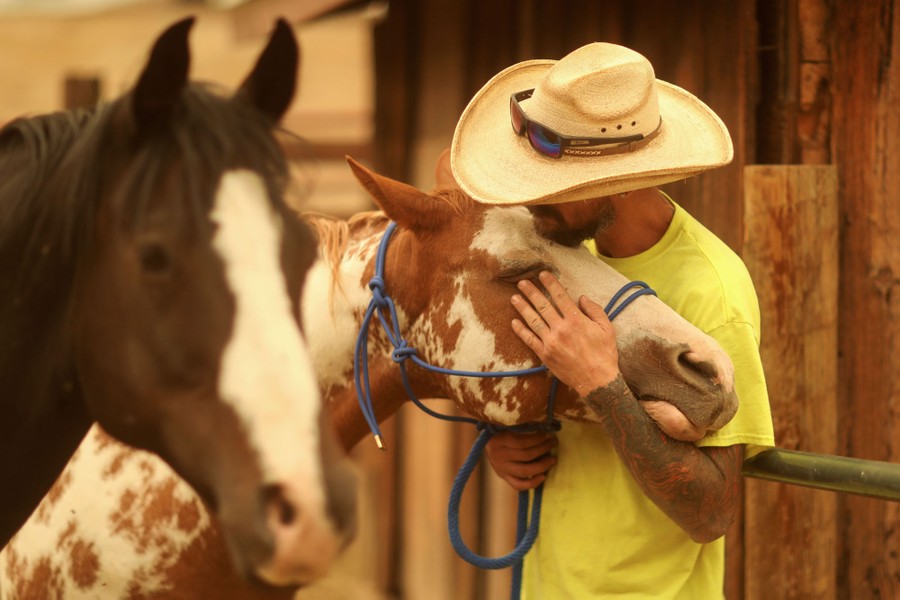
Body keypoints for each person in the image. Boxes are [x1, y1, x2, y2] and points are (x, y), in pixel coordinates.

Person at [449, 42, 775, 598]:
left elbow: (711, 513)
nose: (531, 202)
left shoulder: (712, 290)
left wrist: (603, 385)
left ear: (619, 179)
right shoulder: (567, 247)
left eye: (550, 188)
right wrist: (507, 440)